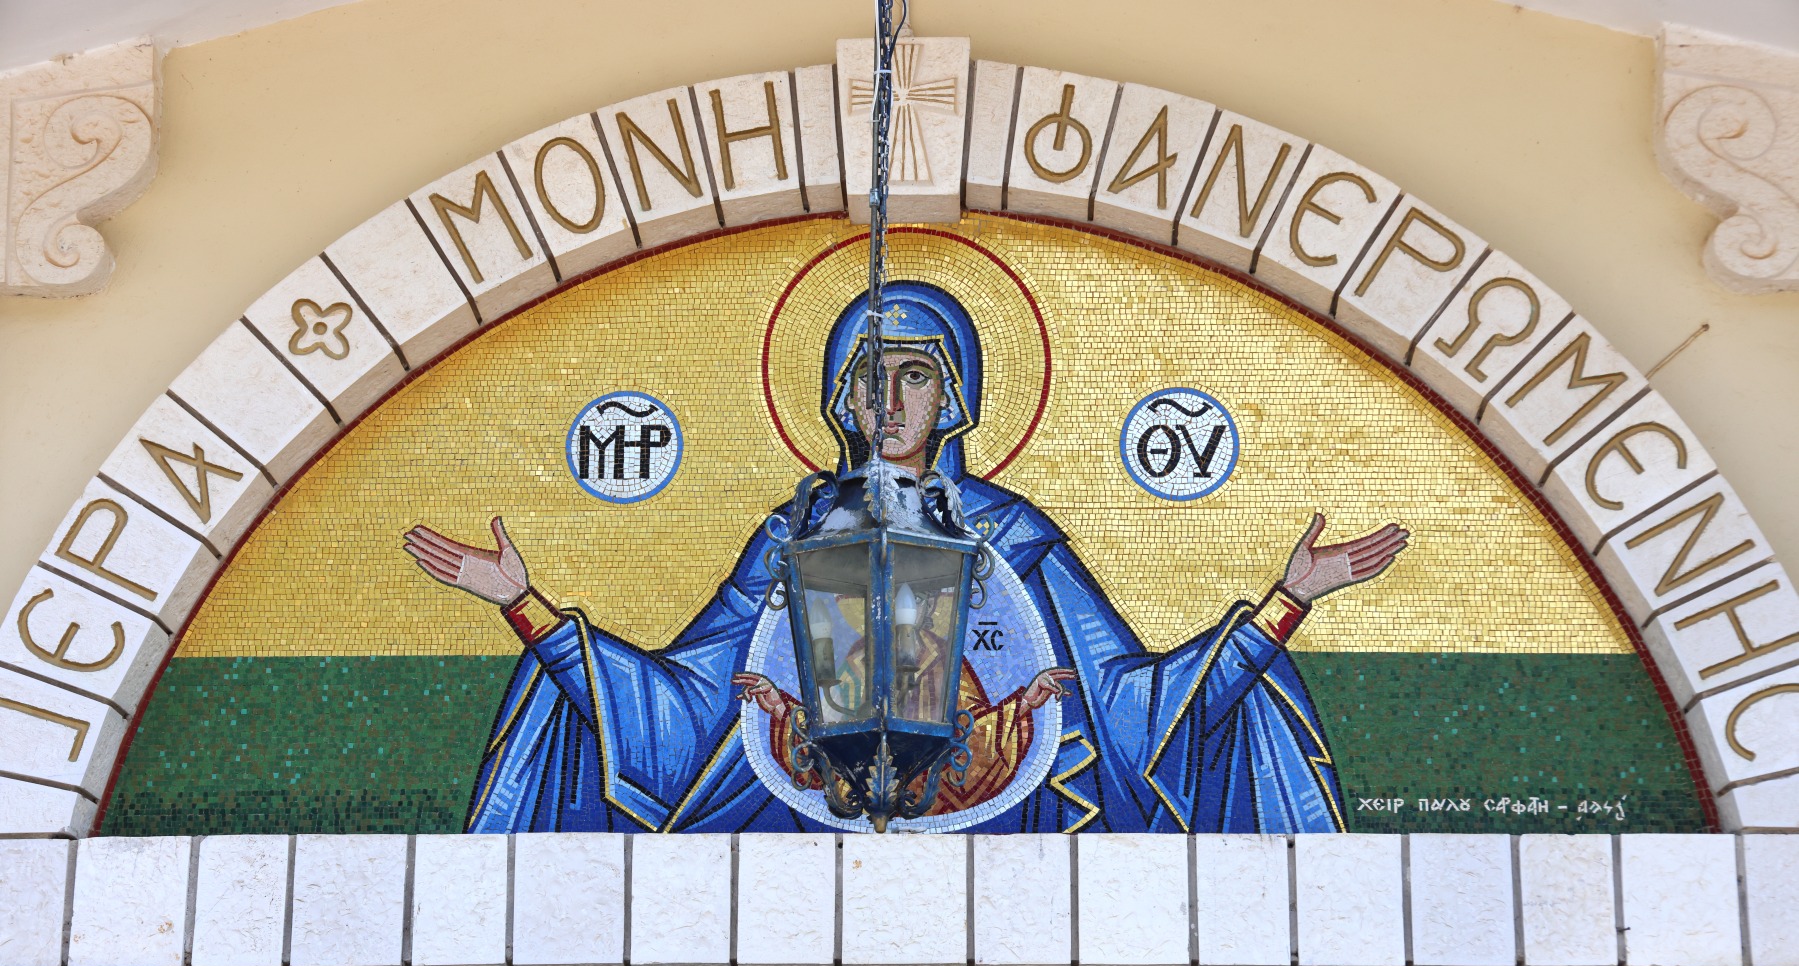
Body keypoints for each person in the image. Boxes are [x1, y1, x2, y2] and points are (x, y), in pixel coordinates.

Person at [404, 282, 1408, 833]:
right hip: (809, 799)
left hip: (999, 806)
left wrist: (1285, 603)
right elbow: (690, 699)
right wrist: (524, 607)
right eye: (870, 377)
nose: (890, 402)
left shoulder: (1010, 534)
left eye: (915, 375)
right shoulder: (792, 535)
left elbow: (1130, 704)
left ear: (952, 398)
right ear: (841, 397)